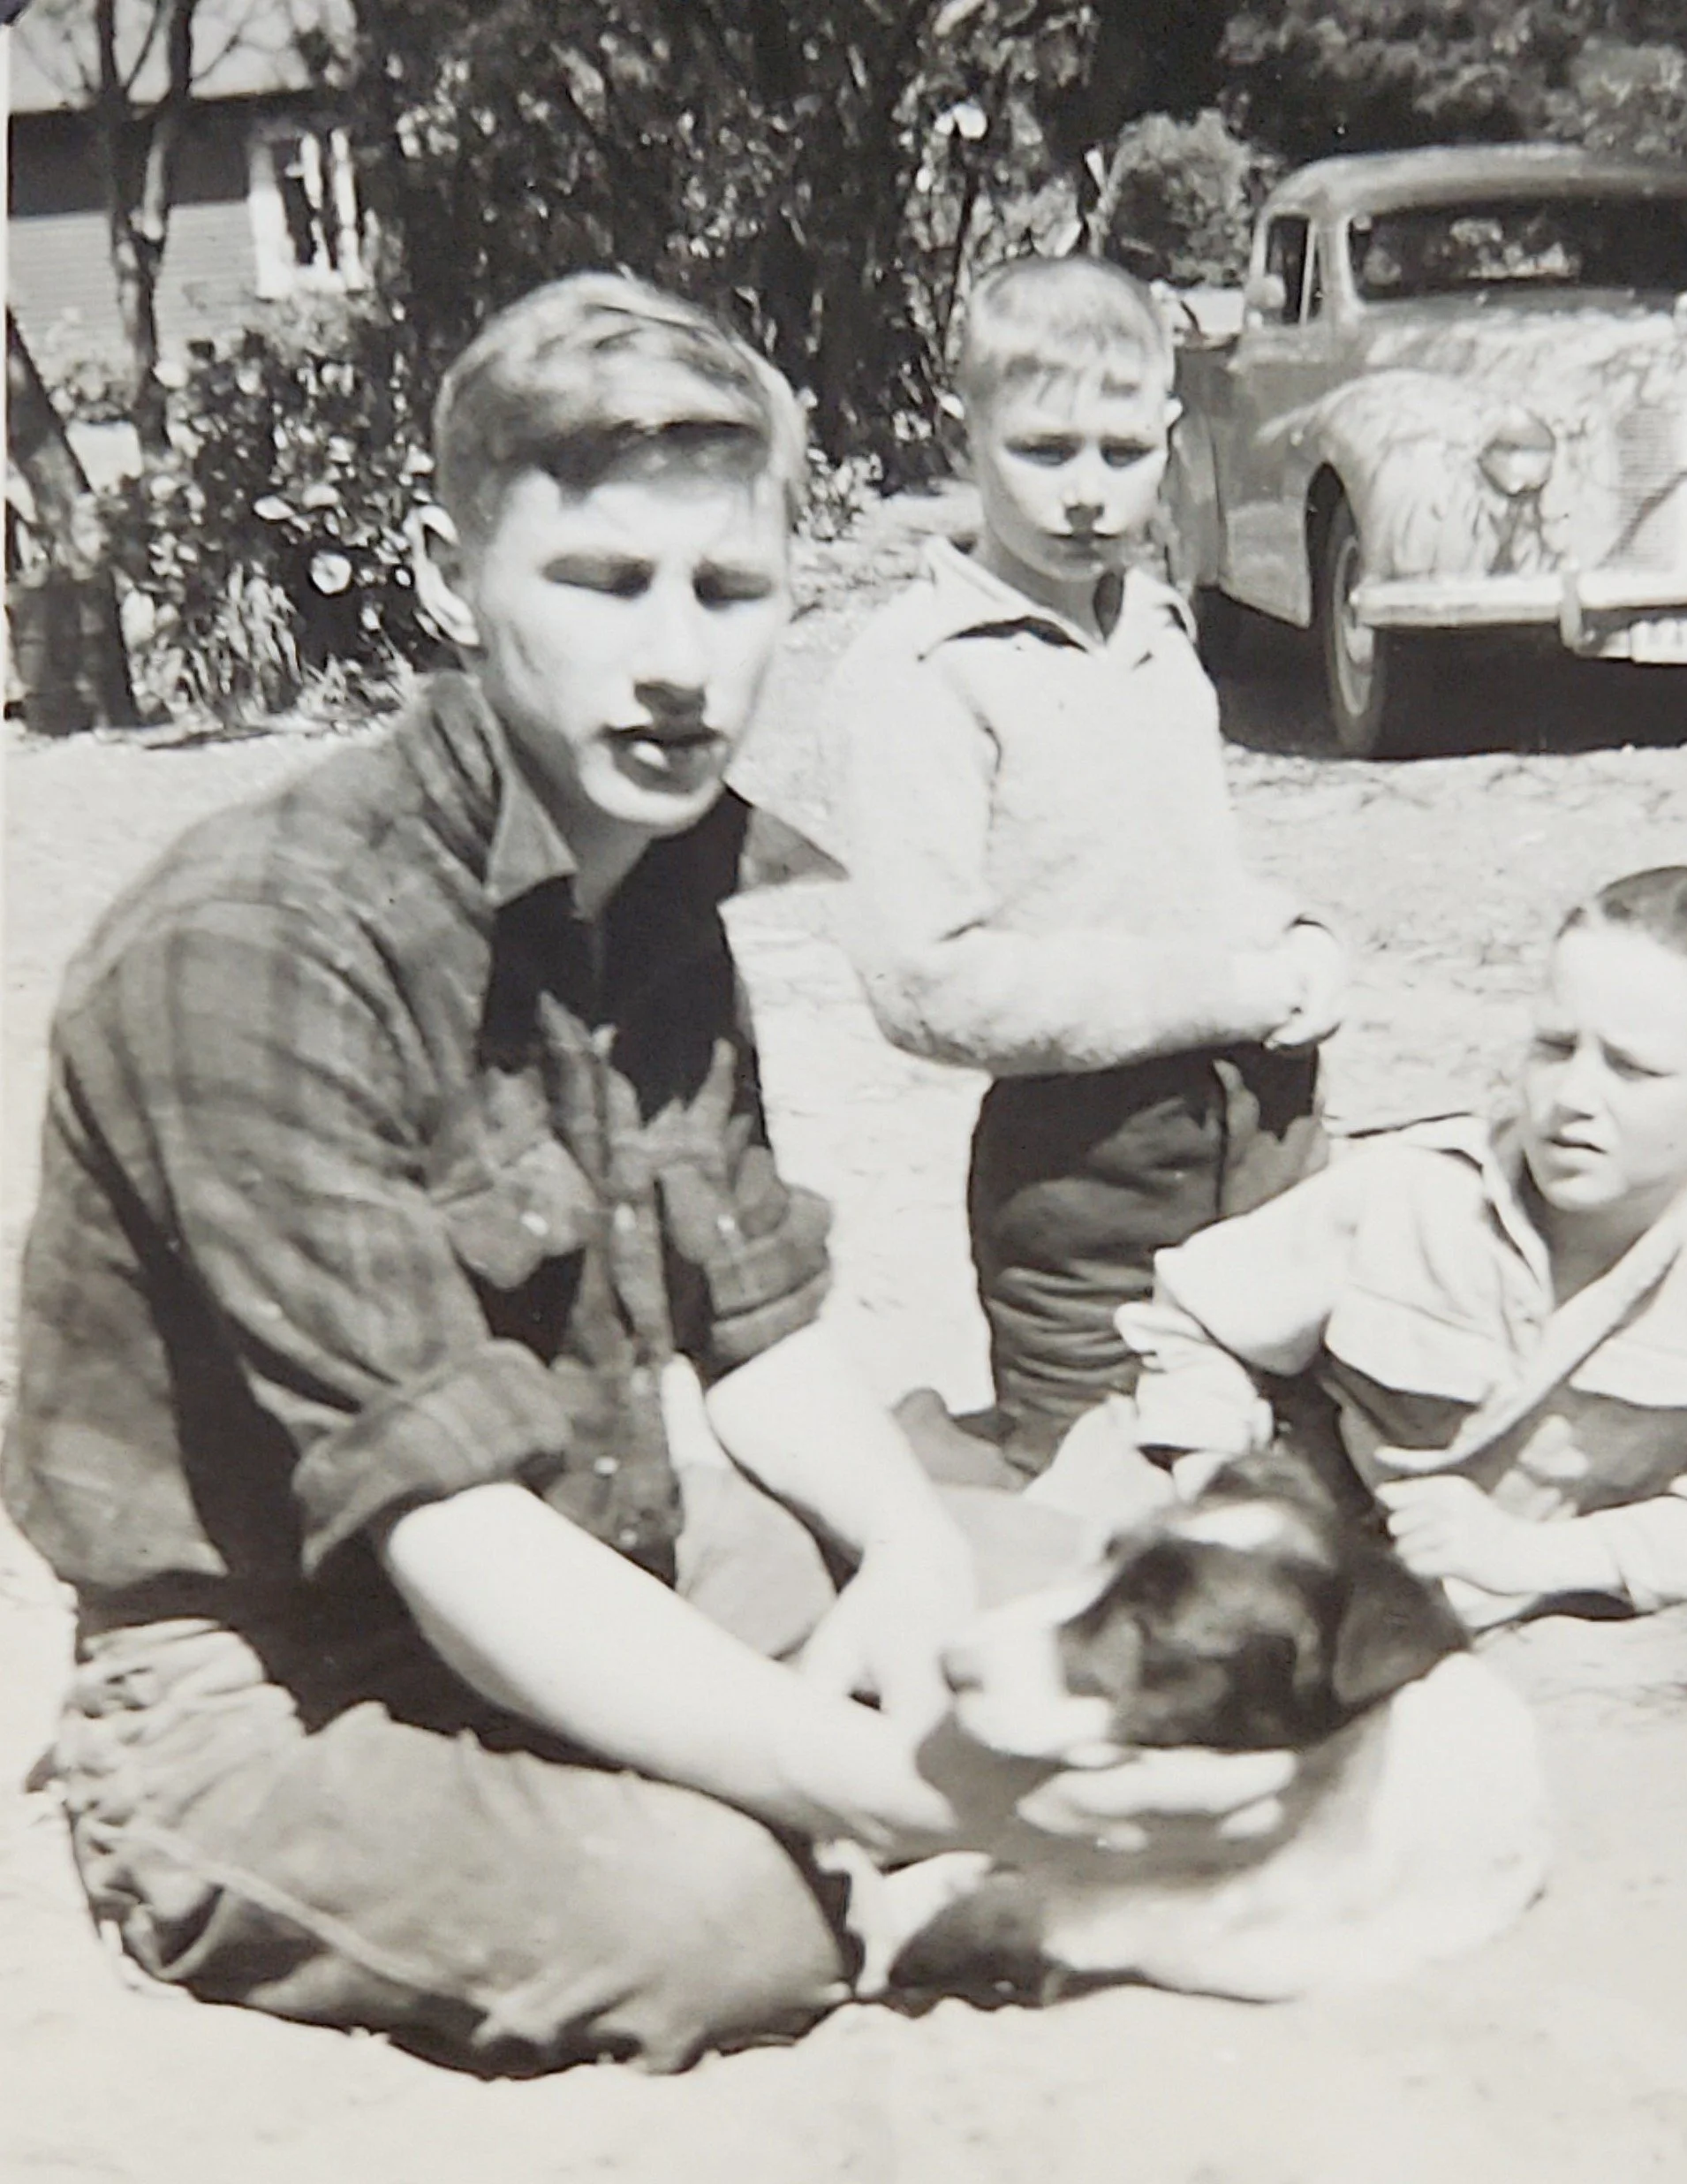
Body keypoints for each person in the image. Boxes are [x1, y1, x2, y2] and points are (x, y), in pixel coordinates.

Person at [4, 276, 1288, 2076]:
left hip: (607, 1539)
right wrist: (887, 1785)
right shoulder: (260, 945)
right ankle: (185, 1857)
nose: (678, 660)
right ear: (452, 579)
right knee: (733, 1919)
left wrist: (910, 1542)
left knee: (1073, 1603)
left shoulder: (660, 887)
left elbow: (752, 1326)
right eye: (604, 583)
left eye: (728, 589)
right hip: (271, 1673)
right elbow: (451, 1534)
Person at [823, 254, 1346, 1483]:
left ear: (1169, 430)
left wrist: (1299, 939)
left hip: (1264, 1125)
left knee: (1293, 1476)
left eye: (1122, 453)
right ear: (964, 429)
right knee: (1099, 1498)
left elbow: (1190, 871)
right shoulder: (921, 670)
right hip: (1088, 1163)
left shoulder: (1156, 625)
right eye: (1043, 450)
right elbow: (924, 982)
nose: (1084, 494)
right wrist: (1218, 991)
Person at [1116, 867, 1687, 1629]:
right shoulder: (1413, 1190)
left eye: (1632, 1069)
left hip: (1563, 1616)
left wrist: (1532, 1556)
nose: (1570, 1097)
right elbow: (1192, 1317)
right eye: (1554, 1045)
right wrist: (1217, 1483)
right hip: (1320, 1548)